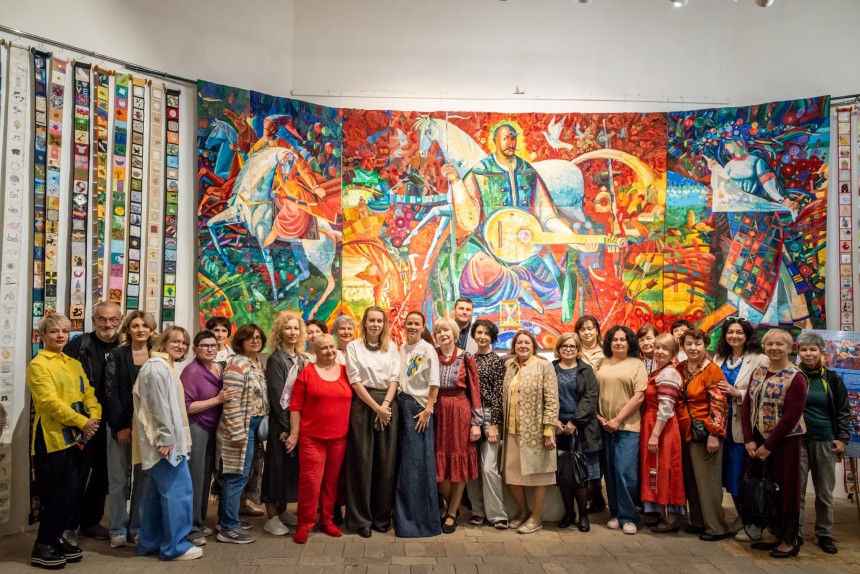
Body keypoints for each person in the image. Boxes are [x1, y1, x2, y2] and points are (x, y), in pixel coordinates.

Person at [441, 123, 595, 312]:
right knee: (477, 269)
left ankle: (517, 285)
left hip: (526, 251)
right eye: (505, 138)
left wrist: (575, 240)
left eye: (513, 138)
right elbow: (469, 221)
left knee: (551, 279)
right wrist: (456, 182)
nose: (510, 142)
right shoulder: (480, 171)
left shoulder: (528, 171)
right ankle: (520, 289)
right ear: (495, 141)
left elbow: (548, 217)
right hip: (489, 250)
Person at [28, 314, 100, 569]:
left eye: (64, 331)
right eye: (54, 331)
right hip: (53, 438)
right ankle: (43, 544)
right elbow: (48, 402)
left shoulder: (73, 363)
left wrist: (94, 417)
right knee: (56, 493)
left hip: (80, 436)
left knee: (72, 493)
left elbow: (88, 392)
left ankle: (57, 537)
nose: (60, 335)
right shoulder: (38, 364)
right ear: (42, 336)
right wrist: (82, 422)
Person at [132, 326, 202, 561]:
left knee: (155, 495)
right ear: (163, 342)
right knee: (179, 491)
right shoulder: (156, 368)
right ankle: (175, 546)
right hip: (165, 444)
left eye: (184, 343)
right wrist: (166, 439)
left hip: (167, 442)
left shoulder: (164, 366)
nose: (181, 346)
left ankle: (150, 542)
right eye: (176, 341)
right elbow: (158, 406)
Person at [742, 329, 808, 558]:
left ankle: (789, 540)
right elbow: (747, 405)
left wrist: (769, 445)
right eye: (770, 344)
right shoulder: (759, 371)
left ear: (790, 348)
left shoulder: (796, 377)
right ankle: (772, 531)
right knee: (765, 487)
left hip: (784, 442)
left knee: (785, 488)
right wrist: (749, 439)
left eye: (780, 344)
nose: (774, 348)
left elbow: (791, 416)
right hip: (757, 440)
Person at [62, 301, 120, 542]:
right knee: (76, 475)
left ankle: (90, 522)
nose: (108, 324)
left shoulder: (125, 346)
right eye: (102, 319)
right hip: (83, 423)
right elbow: (65, 384)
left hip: (113, 423)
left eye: (113, 319)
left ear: (120, 320)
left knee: (103, 475)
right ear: (94, 320)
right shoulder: (78, 346)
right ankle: (67, 525)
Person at [286, 335, 353, 543]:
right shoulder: (307, 373)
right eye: (324, 348)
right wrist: (294, 434)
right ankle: (304, 524)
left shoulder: (346, 372)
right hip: (312, 438)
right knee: (310, 482)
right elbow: (295, 406)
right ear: (315, 350)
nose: (329, 351)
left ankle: (327, 520)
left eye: (332, 347)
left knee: (331, 482)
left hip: (339, 438)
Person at [345, 306, 400, 538]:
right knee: (362, 462)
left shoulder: (392, 347)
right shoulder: (353, 347)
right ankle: (361, 520)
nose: (375, 324)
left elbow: (395, 378)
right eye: (372, 320)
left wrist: (385, 406)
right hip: (363, 404)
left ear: (384, 324)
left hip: (388, 405)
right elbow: (355, 380)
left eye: (379, 321)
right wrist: (376, 408)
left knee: (386, 463)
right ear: (365, 323)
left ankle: (381, 517)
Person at [103, 311, 156, 548]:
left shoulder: (157, 355)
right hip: (121, 426)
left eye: (145, 325)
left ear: (151, 329)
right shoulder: (117, 355)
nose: (140, 330)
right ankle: (117, 528)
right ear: (128, 329)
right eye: (135, 326)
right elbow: (110, 393)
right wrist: (120, 426)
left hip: (148, 428)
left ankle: (137, 528)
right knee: (118, 480)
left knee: (144, 480)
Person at [712, 317, 767, 541]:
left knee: (743, 474)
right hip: (721, 425)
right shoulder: (719, 358)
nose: (734, 336)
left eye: (739, 332)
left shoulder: (759, 359)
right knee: (729, 475)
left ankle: (754, 521)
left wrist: (738, 393)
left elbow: (764, 391)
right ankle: (741, 516)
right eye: (730, 332)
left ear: (747, 335)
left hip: (743, 426)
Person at [180, 330, 237, 546]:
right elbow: (187, 407)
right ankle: (191, 528)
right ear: (195, 349)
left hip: (215, 428)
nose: (210, 349)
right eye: (204, 346)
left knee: (207, 478)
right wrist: (217, 400)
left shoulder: (219, 367)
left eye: (213, 345)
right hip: (198, 427)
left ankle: (200, 521)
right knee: (196, 478)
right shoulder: (191, 371)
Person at [796, 332, 850, 554]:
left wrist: (842, 439)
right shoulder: (794, 376)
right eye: (803, 349)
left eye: (813, 349)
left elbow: (844, 411)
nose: (808, 353)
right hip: (798, 441)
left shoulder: (832, 379)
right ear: (798, 352)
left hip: (825, 441)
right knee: (797, 491)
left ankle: (825, 534)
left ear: (821, 352)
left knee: (825, 493)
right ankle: (795, 532)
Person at [676, 328, 731, 541]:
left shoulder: (712, 370)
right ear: (683, 346)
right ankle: (697, 521)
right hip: (685, 432)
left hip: (705, 432)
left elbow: (719, 404)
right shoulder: (680, 368)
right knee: (691, 480)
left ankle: (716, 527)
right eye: (689, 344)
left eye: (698, 344)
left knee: (708, 483)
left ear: (705, 345)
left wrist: (714, 434)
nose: (693, 348)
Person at [216, 323, 269, 544]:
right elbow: (231, 402)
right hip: (241, 427)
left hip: (254, 426)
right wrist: (238, 433)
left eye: (258, 337)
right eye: (249, 338)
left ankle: (228, 519)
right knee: (236, 476)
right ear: (241, 341)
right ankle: (228, 528)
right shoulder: (236, 364)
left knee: (242, 475)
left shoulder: (256, 363)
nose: (255, 341)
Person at [503, 329, 560, 535]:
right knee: (511, 475)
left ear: (534, 346)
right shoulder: (509, 366)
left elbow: (552, 399)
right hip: (512, 431)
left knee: (539, 475)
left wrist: (549, 430)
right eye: (519, 343)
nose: (523, 346)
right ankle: (524, 512)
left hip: (536, 431)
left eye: (527, 343)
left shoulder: (544, 366)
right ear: (514, 347)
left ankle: (536, 518)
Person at [433, 317, 483, 534]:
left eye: (447, 330)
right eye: (439, 331)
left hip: (460, 412)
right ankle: (450, 505)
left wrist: (476, 423)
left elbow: (475, 389)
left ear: (454, 334)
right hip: (437, 412)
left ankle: (452, 512)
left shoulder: (466, 357)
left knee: (458, 461)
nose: (443, 334)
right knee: (440, 467)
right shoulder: (432, 355)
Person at [394, 312, 442, 537]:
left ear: (423, 327)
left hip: (419, 409)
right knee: (405, 463)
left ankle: (422, 522)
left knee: (418, 464)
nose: (412, 327)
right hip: (402, 406)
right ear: (404, 326)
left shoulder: (427, 349)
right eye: (409, 323)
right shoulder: (403, 348)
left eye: (417, 324)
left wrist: (427, 410)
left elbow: (434, 384)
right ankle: (404, 518)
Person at [596, 326, 646, 535]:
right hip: (604, 426)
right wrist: (599, 417)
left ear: (629, 342)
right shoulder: (601, 363)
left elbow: (639, 396)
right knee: (610, 472)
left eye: (622, 339)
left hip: (628, 427)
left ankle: (629, 516)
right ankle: (616, 513)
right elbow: (593, 392)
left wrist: (617, 420)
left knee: (625, 472)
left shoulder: (637, 364)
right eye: (614, 339)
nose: (618, 343)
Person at [261, 311, 305, 536]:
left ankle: (283, 510)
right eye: (288, 328)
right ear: (280, 332)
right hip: (282, 424)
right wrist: (288, 429)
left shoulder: (300, 358)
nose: (292, 332)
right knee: (276, 469)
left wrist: (296, 428)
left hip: (296, 423)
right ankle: (271, 517)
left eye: (296, 328)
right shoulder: (276, 359)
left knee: (290, 470)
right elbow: (278, 395)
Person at [552, 332, 600, 533]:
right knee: (563, 474)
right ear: (559, 348)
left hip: (580, 429)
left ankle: (583, 515)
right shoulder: (551, 368)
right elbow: (545, 395)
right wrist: (553, 420)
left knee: (579, 475)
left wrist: (573, 422)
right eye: (564, 346)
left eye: (572, 346)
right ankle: (568, 513)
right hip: (557, 428)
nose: (568, 349)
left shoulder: (585, 370)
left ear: (578, 348)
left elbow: (590, 398)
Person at [639, 333, 686, 533]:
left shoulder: (669, 374)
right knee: (655, 468)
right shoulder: (659, 371)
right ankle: (661, 512)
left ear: (673, 352)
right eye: (657, 347)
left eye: (665, 349)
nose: (659, 351)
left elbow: (666, 408)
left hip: (662, 427)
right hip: (652, 423)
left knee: (665, 468)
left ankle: (670, 516)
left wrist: (655, 434)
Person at [464, 319, 508, 530]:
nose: (482, 336)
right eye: (479, 332)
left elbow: (499, 395)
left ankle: (497, 515)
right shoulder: (469, 359)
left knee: (489, 468)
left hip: (490, 416)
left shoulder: (497, 361)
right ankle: (477, 512)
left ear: (492, 337)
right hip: (470, 417)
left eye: (486, 333)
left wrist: (495, 424)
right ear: (474, 335)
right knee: (472, 468)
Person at [575, 314, 606, 513]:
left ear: (596, 330)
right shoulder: (575, 352)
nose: (587, 332)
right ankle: (589, 493)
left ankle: (597, 492)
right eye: (583, 329)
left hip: (603, 406)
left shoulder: (606, 352)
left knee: (600, 454)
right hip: (584, 408)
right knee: (585, 453)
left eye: (590, 328)